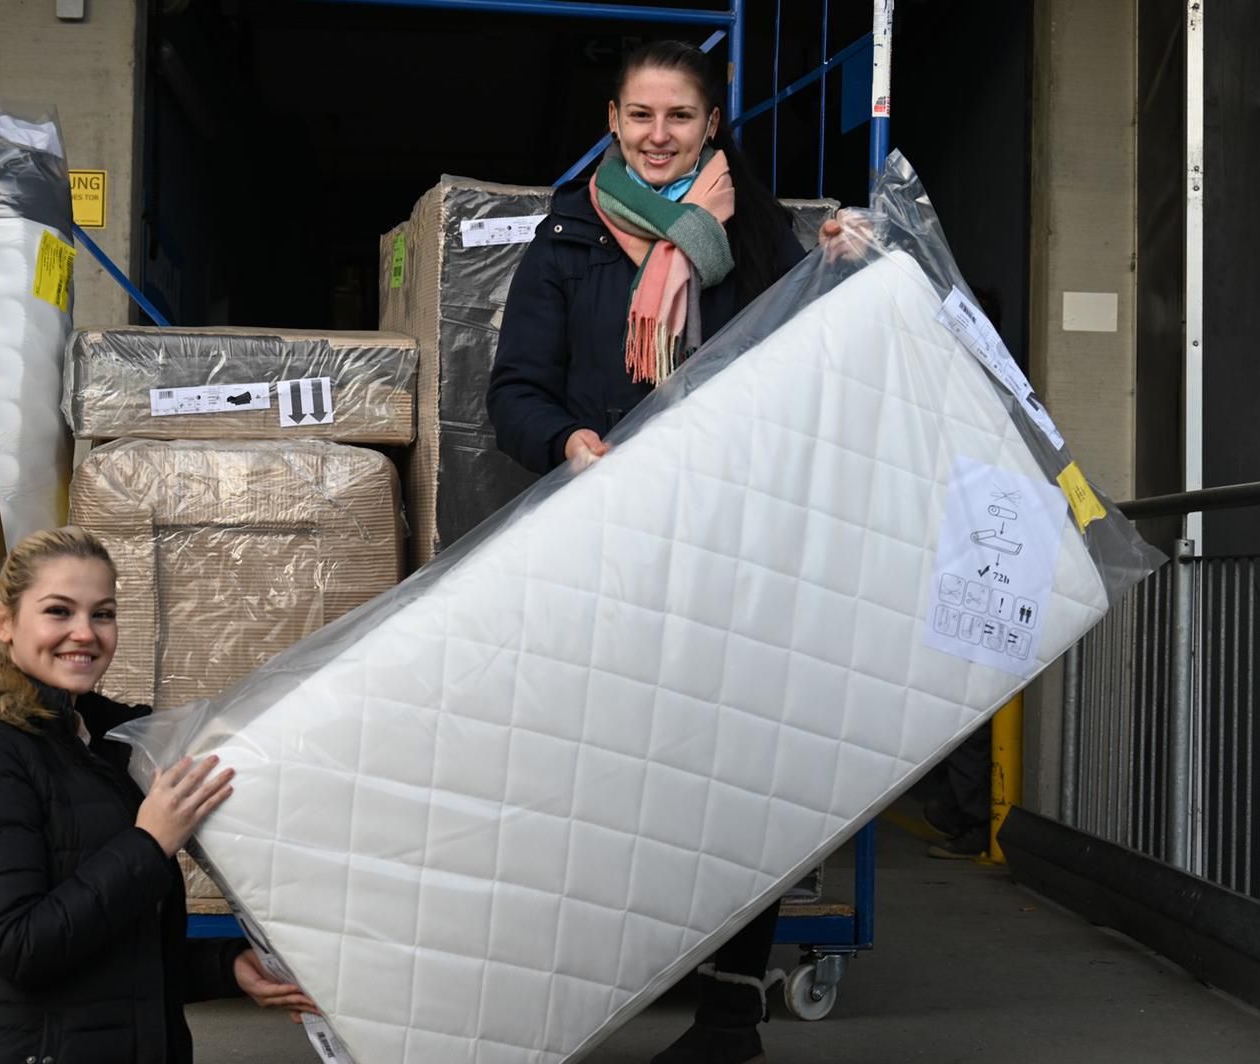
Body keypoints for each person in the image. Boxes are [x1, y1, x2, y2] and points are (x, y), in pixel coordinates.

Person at [487, 39, 856, 1064]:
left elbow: (822, 355)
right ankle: (574, 995)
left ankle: (730, 1014)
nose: (658, 136)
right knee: (606, 780)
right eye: (641, 116)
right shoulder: (565, 240)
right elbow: (513, 388)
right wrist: (564, 439)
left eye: (679, 118)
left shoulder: (769, 235)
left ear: (710, 126)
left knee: (731, 780)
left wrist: (846, 258)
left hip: (736, 545)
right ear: (612, 120)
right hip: (609, 542)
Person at [0, 526, 318, 1063]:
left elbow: (111, 950)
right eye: (58, 611)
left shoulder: (96, 739)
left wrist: (225, 966)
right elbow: (20, 950)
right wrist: (149, 842)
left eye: (102, 614)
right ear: (3, 622)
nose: (84, 633)